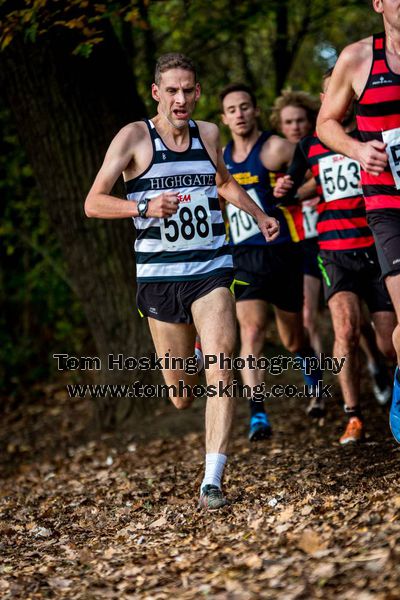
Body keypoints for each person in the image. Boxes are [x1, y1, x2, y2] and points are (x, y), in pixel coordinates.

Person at [84, 53, 280, 509]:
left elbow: (224, 183)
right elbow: (93, 202)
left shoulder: (208, 133)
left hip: (210, 268)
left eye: (188, 90)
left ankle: (212, 478)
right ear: (157, 93)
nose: (181, 98)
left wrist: (260, 214)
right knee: (180, 395)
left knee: (223, 360)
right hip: (159, 279)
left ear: (197, 91)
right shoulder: (134, 137)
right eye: (172, 90)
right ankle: (188, 353)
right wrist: (143, 207)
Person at [274, 69, 396, 444]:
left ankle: (390, 389)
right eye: (330, 95)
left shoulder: (370, 134)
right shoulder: (310, 145)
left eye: (344, 96)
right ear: (326, 99)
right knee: (344, 329)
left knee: (390, 341)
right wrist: (282, 191)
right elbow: (291, 191)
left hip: (376, 247)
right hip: (335, 252)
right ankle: (353, 416)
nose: (339, 103)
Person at [220, 83, 324, 443]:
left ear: (255, 110)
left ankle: (312, 372)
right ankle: (258, 413)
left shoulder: (277, 147)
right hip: (245, 256)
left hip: (284, 252)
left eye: (245, 107)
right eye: (232, 109)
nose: (239, 114)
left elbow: (317, 173)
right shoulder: (221, 158)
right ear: (224, 118)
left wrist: (292, 192)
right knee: (250, 332)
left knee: (293, 339)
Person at [316, 0, 400, 443]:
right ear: (379, 4)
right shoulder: (358, 58)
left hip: (372, 238)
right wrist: (357, 150)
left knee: (391, 342)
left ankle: (394, 376)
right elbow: (323, 127)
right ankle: (356, 408)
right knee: (350, 329)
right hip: (376, 218)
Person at [270, 91, 324, 356]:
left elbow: (322, 177)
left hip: (327, 240)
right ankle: (317, 392)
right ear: (280, 126)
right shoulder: (274, 162)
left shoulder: (321, 146)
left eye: (300, 120)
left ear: (310, 120)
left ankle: (375, 365)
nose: (295, 127)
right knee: (307, 317)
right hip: (297, 245)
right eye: (289, 122)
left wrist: (301, 192)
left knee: (355, 319)